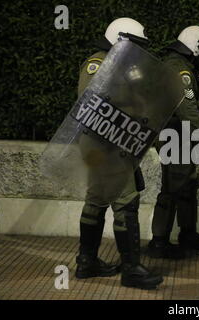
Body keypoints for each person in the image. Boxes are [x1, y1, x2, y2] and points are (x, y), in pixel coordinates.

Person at [75, 17, 163, 289]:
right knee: (126, 201)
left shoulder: (118, 65)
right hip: (106, 145)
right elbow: (93, 100)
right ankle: (131, 269)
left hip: (111, 143)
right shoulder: (98, 64)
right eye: (135, 46)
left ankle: (87, 262)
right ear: (121, 40)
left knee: (97, 200)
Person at [147, 26, 199, 259]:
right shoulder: (179, 69)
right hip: (174, 134)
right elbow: (186, 107)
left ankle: (187, 234)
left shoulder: (181, 65)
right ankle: (159, 242)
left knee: (188, 184)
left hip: (180, 134)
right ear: (194, 44)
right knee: (173, 187)